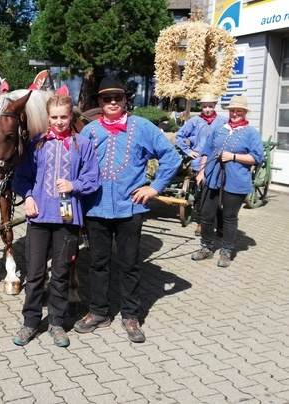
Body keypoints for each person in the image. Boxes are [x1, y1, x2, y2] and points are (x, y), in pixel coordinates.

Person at [74, 77, 181, 343]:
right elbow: (73, 163)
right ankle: (99, 312)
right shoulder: (89, 131)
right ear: (99, 102)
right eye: (106, 99)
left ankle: (131, 315)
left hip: (130, 208)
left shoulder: (142, 127)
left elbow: (171, 157)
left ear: (125, 100)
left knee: (130, 264)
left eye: (117, 98)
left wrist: (154, 188)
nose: (112, 103)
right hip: (96, 209)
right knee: (98, 264)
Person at [11, 94, 101, 347]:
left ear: (71, 116)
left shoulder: (82, 144)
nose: (60, 122)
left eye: (64, 116)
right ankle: (30, 323)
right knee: (35, 273)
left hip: (67, 218)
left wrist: (74, 184)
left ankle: (57, 323)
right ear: (47, 118)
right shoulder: (36, 143)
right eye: (55, 117)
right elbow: (22, 178)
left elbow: (93, 179)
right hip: (38, 217)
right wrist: (28, 197)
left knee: (61, 273)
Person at [191, 95, 264, 268]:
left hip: (236, 180)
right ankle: (206, 247)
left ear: (245, 112)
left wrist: (233, 157)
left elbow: (256, 157)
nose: (235, 113)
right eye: (232, 110)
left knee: (229, 217)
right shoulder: (219, 129)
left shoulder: (251, 133)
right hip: (213, 177)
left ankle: (226, 251)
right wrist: (201, 171)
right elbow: (206, 150)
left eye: (239, 110)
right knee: (207, 215)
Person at [175, 93, 228, 236]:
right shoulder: (194, 121)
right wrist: (189, 151)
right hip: (200, 164)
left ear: (215, 106)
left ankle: (221, 224)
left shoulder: (224, 121)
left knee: (220, 194)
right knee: (201, 194)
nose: (207, 109)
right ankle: (201, 223)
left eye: (210, 106)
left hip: (218, 163)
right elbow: (179, 136)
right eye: (204, 107)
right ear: (201, 107)